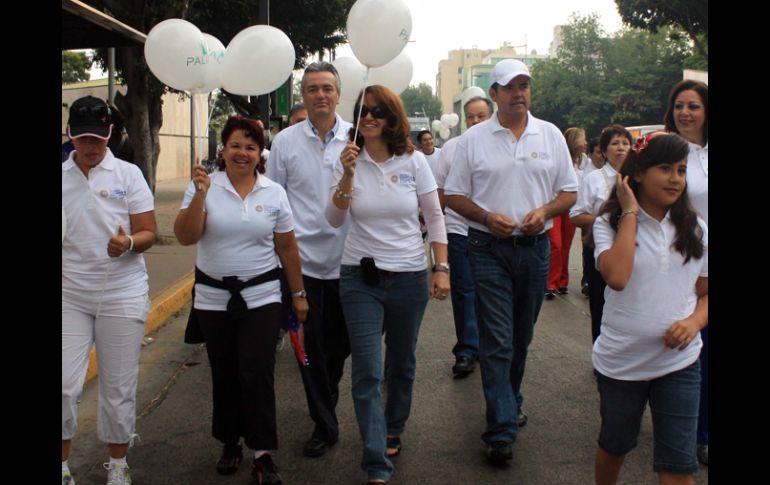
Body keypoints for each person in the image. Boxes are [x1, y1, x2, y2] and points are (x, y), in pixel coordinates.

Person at [444, 59, 578, 465]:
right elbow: (452, 195)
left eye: (525, 85)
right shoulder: (474, 140)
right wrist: (486, 217)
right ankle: (501, 428)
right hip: (487, 250)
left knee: (521, 338)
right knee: (498, 341)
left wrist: (546, 211)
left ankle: (509, 398)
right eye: (510, 86)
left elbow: (569, 192)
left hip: (534, 250)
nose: (519, 93)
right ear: (496, 93)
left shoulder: (550, 135)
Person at [325, 84, 449, 485]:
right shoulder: (347, 160)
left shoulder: (413, 162)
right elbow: (334, 220)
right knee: (366, 368)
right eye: (363, 112)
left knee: (402, 363)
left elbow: (434, 217)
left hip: (409, 277)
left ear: (393, 118)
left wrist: (441, 267)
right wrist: (346, 173)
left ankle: (394, 424)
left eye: (378, 111)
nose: (370, 118)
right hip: (360, 278)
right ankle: (376, 459)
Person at [174, 115, 308, 484]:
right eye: (235, 145)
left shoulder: (273, 192)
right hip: (213, 299)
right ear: (223, 149)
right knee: (226, 372)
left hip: (262, 297)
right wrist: (200, 196)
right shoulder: (205, 185)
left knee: (257, 372)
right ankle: (230, 441)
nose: (242, 153)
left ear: (260, 152)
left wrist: (298, 294)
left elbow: (287, 247)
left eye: (250, 146)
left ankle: (263, 453)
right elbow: (186, 236)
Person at [592, 132, 707, 485]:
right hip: (621, 363)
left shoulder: (696, 228)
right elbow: (618, 276)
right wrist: (629, 212)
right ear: (638, 173)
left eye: (682, 170)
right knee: (616, 444)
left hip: (679, 362)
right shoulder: (607, 224)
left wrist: (693, 323)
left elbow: (705, 292)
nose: (676, 179)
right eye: (665, 168)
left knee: (677, 463)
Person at [62, 95, 157, 485]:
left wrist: (129, 243)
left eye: (98, 140)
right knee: (64, 384)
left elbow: (149, 230)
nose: (91, 148)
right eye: (83, 139)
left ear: (110, 135)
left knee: (117, 386)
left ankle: (117, 466)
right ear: (69, 136)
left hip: (122, 291)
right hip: (71, 293)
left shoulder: (129, 175)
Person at [266, 61, 353, 459]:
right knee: (308, 349)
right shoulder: (285, 143)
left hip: (351, 262)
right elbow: (274, 201)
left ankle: (326, 395)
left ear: (339, 94)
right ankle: (324, 422)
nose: (321, 95)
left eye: (328, 88)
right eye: (313, 88)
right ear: (303, 95)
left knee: (340, 346)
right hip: (300, 266)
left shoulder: (358, 138)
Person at [664, 79, 708, 466]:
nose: (685, 113)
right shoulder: (671, 154)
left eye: (693, 106)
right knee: (698, 347)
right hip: (690, 260)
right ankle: (698, 432)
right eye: (679, 106)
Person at [435, 95, 493, 378]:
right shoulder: (452, 147)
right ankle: (467, 349)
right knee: (465, 290)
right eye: (471, 116)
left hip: (495, 233)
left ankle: (491, 346)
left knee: (492, 294)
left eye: (481, 116)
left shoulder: (502, 145)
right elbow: (441, 189)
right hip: (459, 230)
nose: (475, 121)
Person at [570, 125, 632, 342]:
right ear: (604, 151)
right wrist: (606, 222)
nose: (621, 148)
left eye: (625, 143)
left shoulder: (639, 178)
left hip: (633, 251)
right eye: (615, 143)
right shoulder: (593, 179)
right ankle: (601, 353)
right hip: (599, 250)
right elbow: (576, 215)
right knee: (600, 304)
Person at [544, 127, 583, 299]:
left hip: (572, 208)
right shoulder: (557, 158)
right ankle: (550, 283)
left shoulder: (584, 162)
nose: (585, 143)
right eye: (582, 140)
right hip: (555, 206)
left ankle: (562, 281)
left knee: (566, 246)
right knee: (556, 245)